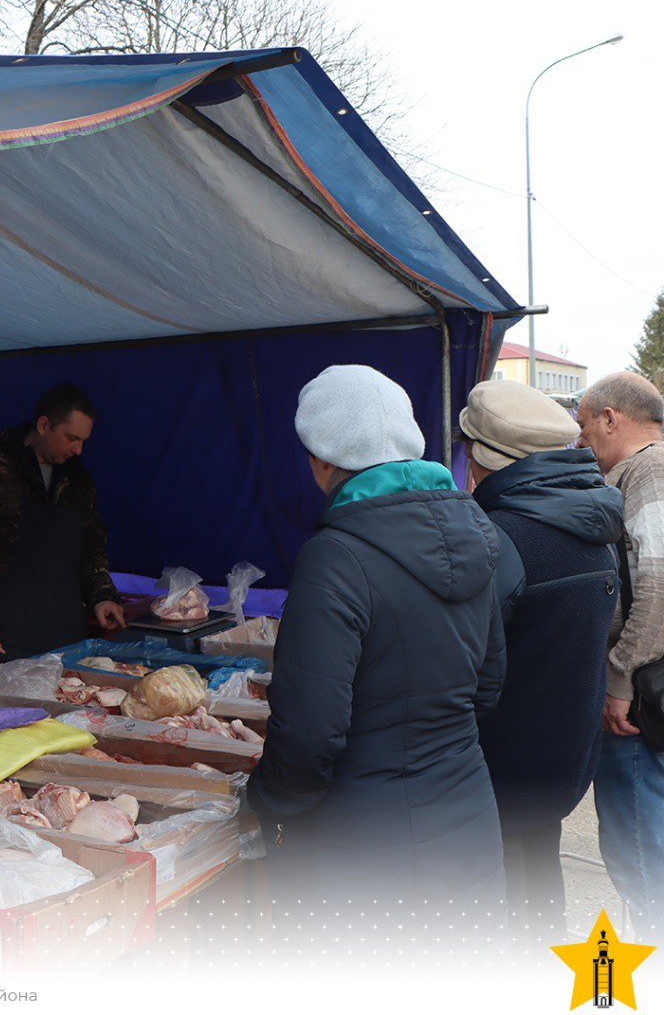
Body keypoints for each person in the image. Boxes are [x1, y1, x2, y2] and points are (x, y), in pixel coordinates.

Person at [246, 365, 507, 947]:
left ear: (320, 460)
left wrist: (263, 800)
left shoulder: (335, 556)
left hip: (364, 850)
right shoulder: (477, 531)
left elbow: (311, 732)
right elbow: (488, 686)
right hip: (466, 820)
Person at [460, 379, 622, 947]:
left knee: (498, 917)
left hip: (498, 769)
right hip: (560, 764)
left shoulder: (498, 540)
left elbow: (469, 672)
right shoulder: (593, 529)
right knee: (537, 891)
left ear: (482, 458)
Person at [0, 385, 125, 668]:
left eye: (83, 441)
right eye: (71, 438)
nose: (78, 450)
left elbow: (91, 548)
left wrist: (102, 595)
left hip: (67, 641)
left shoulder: (77, 481)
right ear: (44, 425)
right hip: (2, 643)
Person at [576, 371, 664, 939]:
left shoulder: (648, 471)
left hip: (644, 699)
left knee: (640, 849)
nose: (582, 444)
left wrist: (620, 679)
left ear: (611, 418)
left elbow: (657, 580)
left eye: (585, 429)